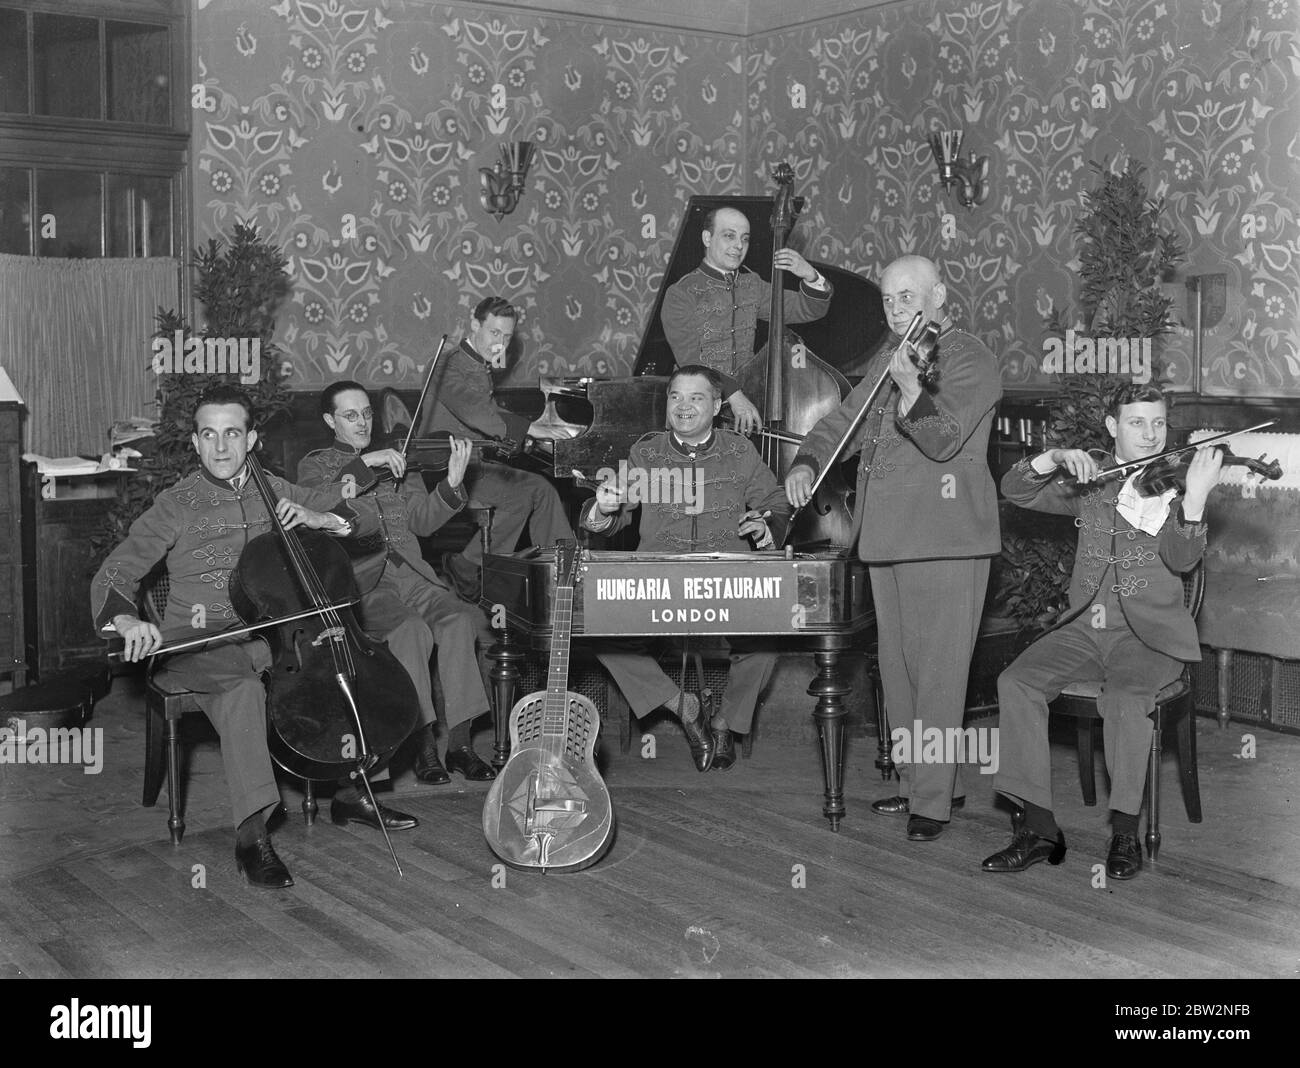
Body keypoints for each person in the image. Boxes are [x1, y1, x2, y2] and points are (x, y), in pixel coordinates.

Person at [92, 385, 419, 891]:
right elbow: (117, 571)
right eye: (209, 435)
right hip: (196, 645)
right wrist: (129, 622)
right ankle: (253, 837)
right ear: (197, 444)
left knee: (333, 670)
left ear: (251, 440)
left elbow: (365, 516)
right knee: (244, 691)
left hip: (272, 641)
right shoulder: (176, 505)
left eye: (232, 434)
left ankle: (354, 793)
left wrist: (322, 518)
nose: (221, 447)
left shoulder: (275, 488)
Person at [785, 255, 1001, 842]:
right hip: (886, 538)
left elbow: (943, 440)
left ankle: (932, 802)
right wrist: (808, 459)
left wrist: (910, 389)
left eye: (909, 296)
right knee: (898, 671)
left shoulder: (969, 357)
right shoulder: (889, 358)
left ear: (939, 296)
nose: (897, 307)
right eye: (888, 299)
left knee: (938, 673)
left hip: (945, 539)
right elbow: (842, 423)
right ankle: (920, 782)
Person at [982, 384, 1220, 880]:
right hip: (1086, 628)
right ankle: (1038, 829)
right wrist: (1052, 457)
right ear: (1113, 427)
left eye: (1158, 423)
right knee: (1016, 683)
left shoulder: (1177, 483)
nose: (1151, 435)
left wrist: (1194, 501)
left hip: (1148, 637)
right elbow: (1013, 488)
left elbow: (1182, 558)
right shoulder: (1094, 479)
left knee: (1126, 698)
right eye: (1136, 423)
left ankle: (1125, 832)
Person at [580, 365, 790, 771]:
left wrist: (766, 527)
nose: (684, 406)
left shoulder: (740, 451)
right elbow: (616, 513)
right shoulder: (647, 451)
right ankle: (682, 705)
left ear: (716, 405)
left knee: (765, 645)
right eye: (676, 396)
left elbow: (776, 502)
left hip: (725, 580)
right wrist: (602, 509)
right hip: (659, 580)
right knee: (602, 636)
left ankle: (725, 721)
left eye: (696, 398)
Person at [296, 381, 497, 784]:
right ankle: (423, 748)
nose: (362, 422)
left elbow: (422, 520)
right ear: (329, 420)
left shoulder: (399, 461)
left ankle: (459, 745)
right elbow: (319, 502)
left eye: (367, 413)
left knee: (460, 620)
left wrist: (452, 484)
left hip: (414, 574)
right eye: (350, 415)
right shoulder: (315, 465)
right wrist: (367, 463)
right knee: (410, 631)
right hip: (365, 584)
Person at [414, 296, 573, 600]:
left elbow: (487, 416)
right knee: (533, 491)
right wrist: (530, 428)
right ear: (475, 325)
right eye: (494, 333)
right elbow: (475, 411)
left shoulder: (476, 364)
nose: (500, 343)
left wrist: (522, 435)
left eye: (507, 336)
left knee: (535, 491)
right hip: (443, 467)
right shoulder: (446, 364)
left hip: (471, 462)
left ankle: (555, 573)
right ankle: (559, 578)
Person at [660, 206, 832, 435]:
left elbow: (807, 309)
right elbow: (692, 361)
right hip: (695, 410)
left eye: (745, 239)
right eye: (729, 236)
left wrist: (809, 274)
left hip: (749, 407)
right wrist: (735, 396)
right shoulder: (681, 293)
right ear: (707, 238)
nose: (739, 246)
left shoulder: (752, 285)